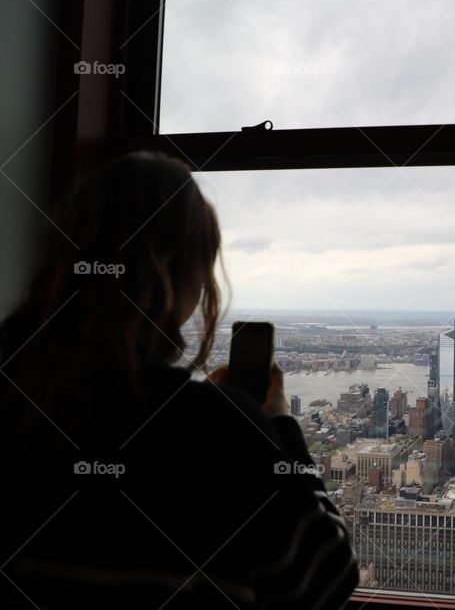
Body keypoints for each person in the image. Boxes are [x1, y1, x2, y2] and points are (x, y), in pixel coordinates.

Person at [0, 152, 358, 609]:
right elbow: (325, 581)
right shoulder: (215, 432)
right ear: (170, 269)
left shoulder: (16, 400)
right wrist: (275, 426)